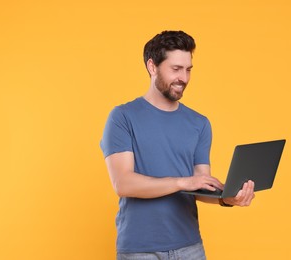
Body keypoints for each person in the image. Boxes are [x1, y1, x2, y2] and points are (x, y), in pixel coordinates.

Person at [100, 30, 255, 260]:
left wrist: (226, 198)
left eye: (188, 69)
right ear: (152, 67)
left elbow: (201, 184)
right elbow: (123, 183)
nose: (183, 77)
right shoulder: (123, 117)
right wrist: (182, 182)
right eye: (175, 69)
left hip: (190, 247)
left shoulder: (199, 123)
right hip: (139, 250)